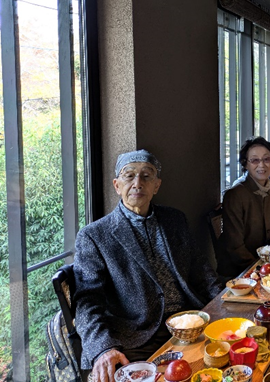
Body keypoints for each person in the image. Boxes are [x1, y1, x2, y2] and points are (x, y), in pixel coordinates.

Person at [74, 150, 222, 382]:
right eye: (129, 176)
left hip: (189, 322)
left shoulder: (175, 220)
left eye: (146, 176)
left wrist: (223, 303)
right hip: (136, 336)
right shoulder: (94, 236)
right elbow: (87, 301)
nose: (137, 183)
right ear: (116, 185)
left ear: (157, 186)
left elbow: (201, 270)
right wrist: (102, 348)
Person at [216, 137, 270, 279]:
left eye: (266, 159)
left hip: (268, 269)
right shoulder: (234, 195)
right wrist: (260, 271)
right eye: (255, 160)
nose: (262, 165)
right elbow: (235, 247)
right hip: (238, 273)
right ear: (245, 164)